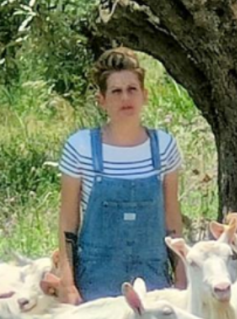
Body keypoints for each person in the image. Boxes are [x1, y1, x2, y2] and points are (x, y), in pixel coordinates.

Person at [57, 47, 186, 304]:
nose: (125, 98)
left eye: (132, 89)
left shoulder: (164, 146)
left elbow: (172, 219)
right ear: (102, 100)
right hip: (96, 279)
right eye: (116, 91)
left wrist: (182, 277)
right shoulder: (80, 147)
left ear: (144, 95)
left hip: (153, 279)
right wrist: (68, 284)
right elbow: (68, 224)